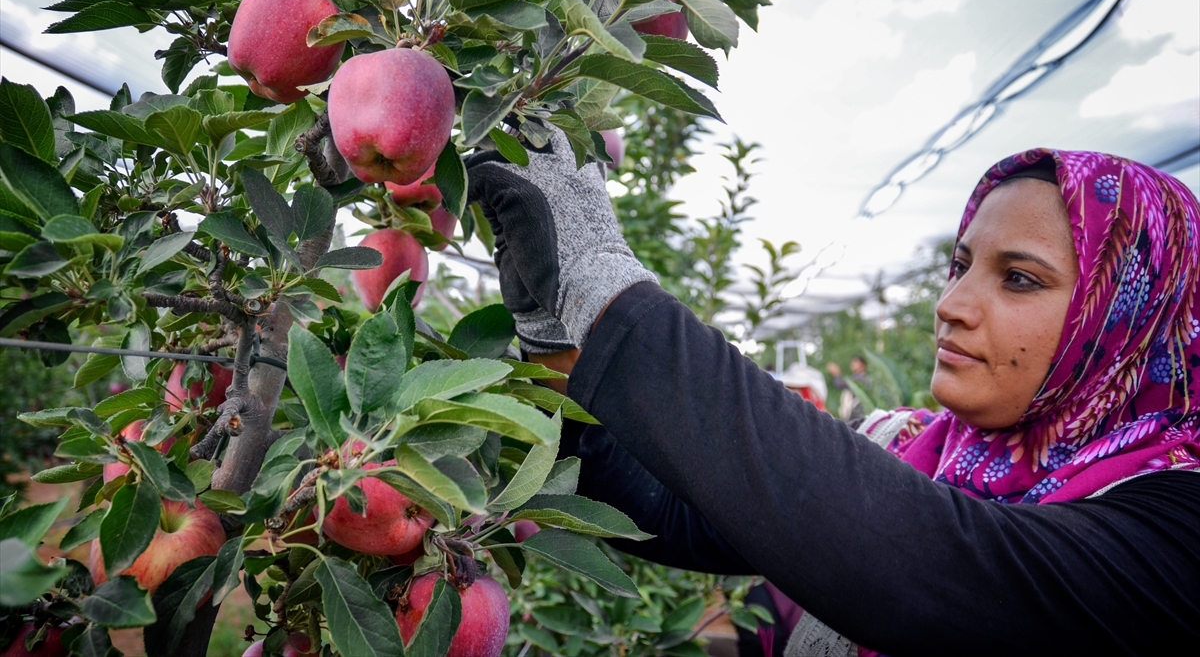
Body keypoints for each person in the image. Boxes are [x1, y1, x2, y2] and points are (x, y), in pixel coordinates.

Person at [466, 138, 1200, 656]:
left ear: (1132, 315)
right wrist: (548, 322)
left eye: (1019, 278)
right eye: (960, 263)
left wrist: (602, 281)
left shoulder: (1174, 527)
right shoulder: (902, 442)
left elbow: (918, 566)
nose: (951, 302)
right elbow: (654, 508)